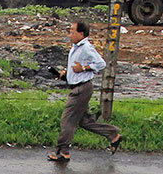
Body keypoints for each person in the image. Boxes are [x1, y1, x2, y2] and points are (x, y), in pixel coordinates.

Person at [48, 20, 122, 162]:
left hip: (81, 89)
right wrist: (66, 74)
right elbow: (76, 66)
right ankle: (113, 135)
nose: (70, 34)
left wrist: (83, 68)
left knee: (67, 120)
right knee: (85, 122)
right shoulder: (76, 47)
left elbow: (101, 64)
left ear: (81, 34)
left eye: (72, 32)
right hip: (78, 87)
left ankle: (63, 152)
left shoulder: (86, 47)